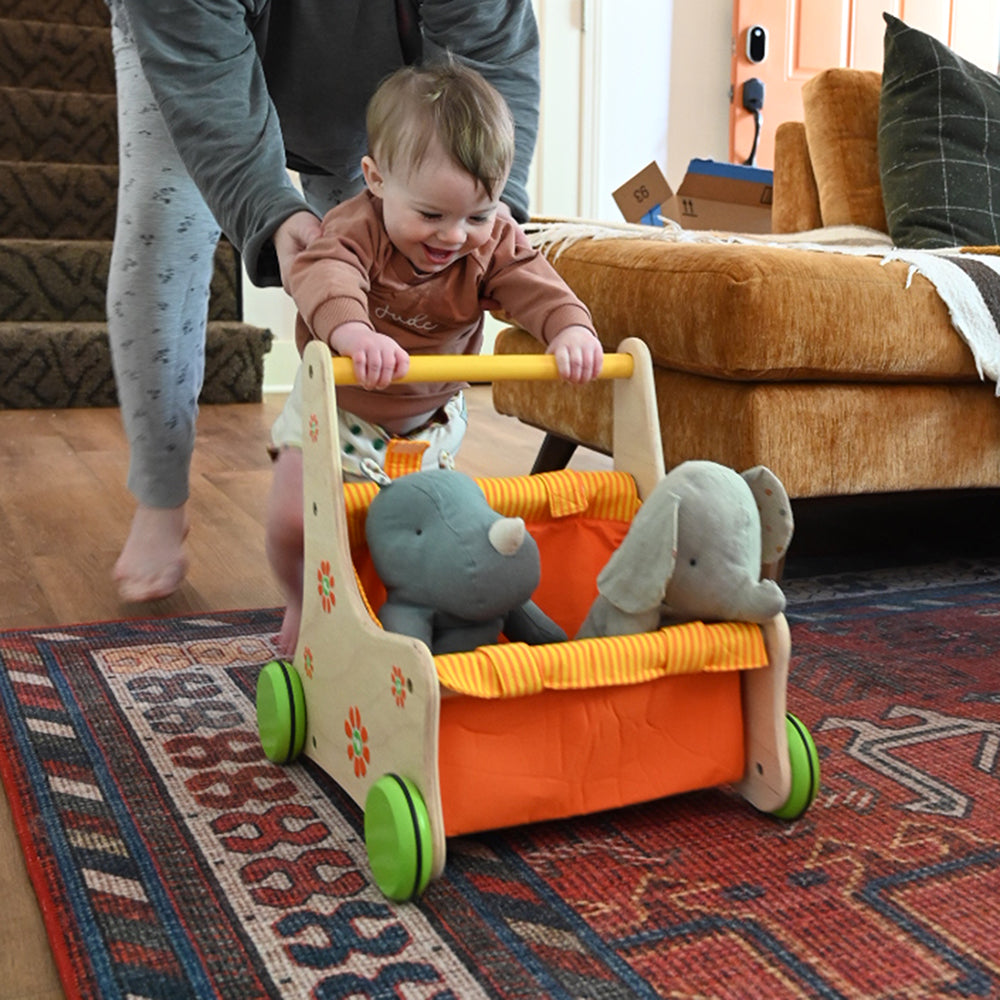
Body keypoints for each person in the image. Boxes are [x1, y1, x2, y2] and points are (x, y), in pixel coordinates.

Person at [104, 0, 542, 602]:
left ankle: (394, 493)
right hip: (195, 57)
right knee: (164, 224)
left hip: (382, 69)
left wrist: (494, 216)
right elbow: (204, 82)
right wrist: (273, 218)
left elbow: (494, 50)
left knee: (395, 270)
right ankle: (159, 494)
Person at [266, 61, 603, 654]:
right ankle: (303, 602)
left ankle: (414, 615)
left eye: (477, 215)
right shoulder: (355, 229)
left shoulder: (491, 241)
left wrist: (569, 328)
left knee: (425, 536)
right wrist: (353, 334)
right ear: (375, 179)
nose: (454, 236)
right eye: (431, 215)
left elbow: (533, 282)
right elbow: (325, 274)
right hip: (338, 411)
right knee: (297, 523)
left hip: (430, 425)